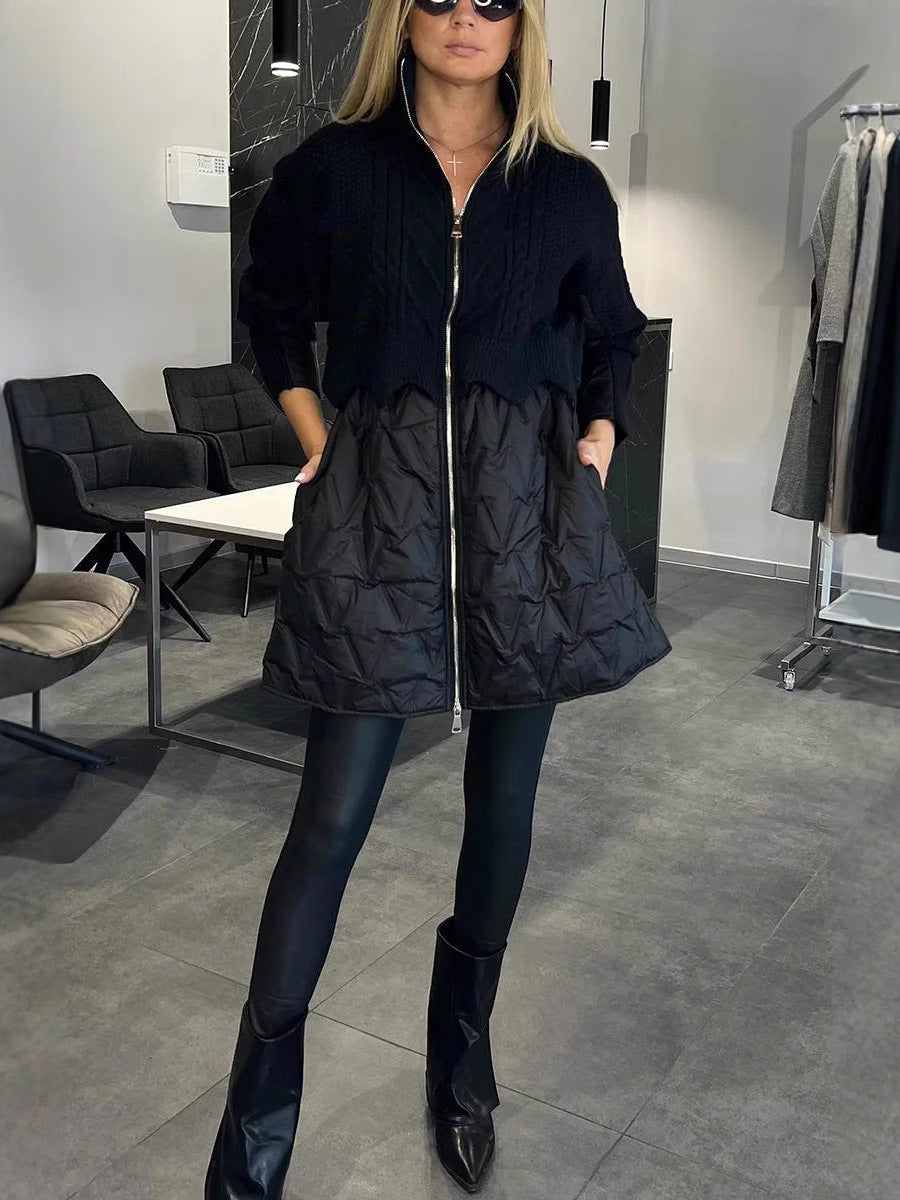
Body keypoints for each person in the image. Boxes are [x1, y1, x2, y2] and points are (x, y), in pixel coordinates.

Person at [205, 0, 672, 1196]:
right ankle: (254, 1131)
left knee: (503, 808)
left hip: (527, 527)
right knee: (328, 820)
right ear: (401, 17)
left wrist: (598, 440)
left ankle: (461, 1063)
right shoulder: (335, 170)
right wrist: (321, 437)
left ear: (523, 28)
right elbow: (271, 315)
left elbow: (614, 334)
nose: (467, 19)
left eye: (494, 1)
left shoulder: (565, 188)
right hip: (379, 517)